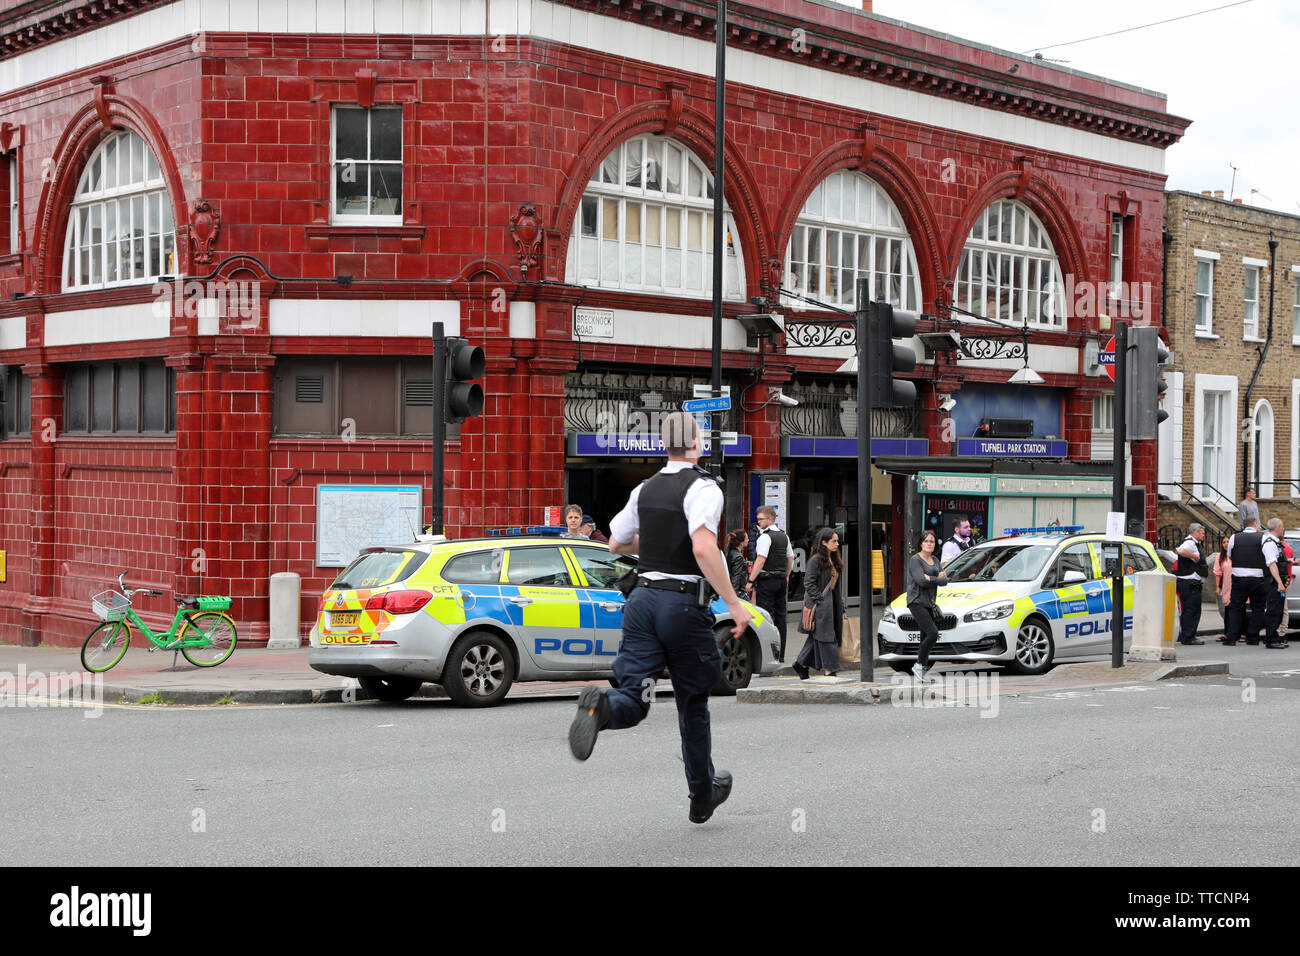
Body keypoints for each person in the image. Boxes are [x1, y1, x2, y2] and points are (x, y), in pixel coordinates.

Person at [567, 412, 751, 825]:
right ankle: (702, 793)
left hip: (641, 603)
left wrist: (656, 537)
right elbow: (703, 548)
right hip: (681, 607)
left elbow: (615, 543)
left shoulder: (645, 488)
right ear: (696, 443)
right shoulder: (703, 488)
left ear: (664, 445)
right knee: (692, 702)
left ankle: (603, 707)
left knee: (636, 696)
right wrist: (734, 604)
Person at [793, 528, 843, 679]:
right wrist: (820, 600)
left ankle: (801, 664)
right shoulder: (815, 560)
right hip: (821, 606)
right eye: (834, 541)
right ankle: (830, 670)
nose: (837, 544)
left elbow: (834, 585)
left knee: (817, 637)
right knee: (827, 636)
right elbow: (808, 583)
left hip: (832, 604)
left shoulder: (833, 559)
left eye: (837, 540)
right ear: (824, 542)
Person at [747, 505, 791, 662]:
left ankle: (768, 656)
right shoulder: (784, 536)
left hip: (767, 580)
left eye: (760, 519)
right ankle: (781, 655)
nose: (758, 522)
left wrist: (751, 580)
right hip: (780, 580)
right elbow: (790, 558)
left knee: (766, 618)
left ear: (770, 519)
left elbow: (760, 560)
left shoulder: (765, 537)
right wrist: (786, 575)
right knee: (781, 618)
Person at [1224, 516, 1276, 646]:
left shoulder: (1234, 538)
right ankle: (1253, 637)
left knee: (1235, 607)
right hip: (1257, 579)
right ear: (1255, 525)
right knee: (1257, 608)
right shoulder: (1262, 538)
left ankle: (1231, 638)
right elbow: (1268, 558)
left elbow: (1230, 555)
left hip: (1238, 578)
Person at [907, 529, 948, 683]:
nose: (929, 544)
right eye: (926, 541)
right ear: (921, 543)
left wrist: (932, 578)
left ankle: (921, 671)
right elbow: (920, 581)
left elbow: (945, 581)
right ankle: (919, 665)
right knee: (933, 633)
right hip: (916, 601)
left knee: (925, 636)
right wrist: (937, 577)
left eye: (932, 541)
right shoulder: (915, 560)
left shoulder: (936, 560)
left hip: (930, 602)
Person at [1173, 523, 1207, 645]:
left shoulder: (1193, 543)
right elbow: (1181, 551)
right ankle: (1188, 637)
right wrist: (1195, 557)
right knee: (1192, 610)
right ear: (1196, 532)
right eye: (1202, 533)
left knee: (1190, 610)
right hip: (1190, 584)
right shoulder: (1190, 542)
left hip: (1188, 583)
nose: (1203, 535)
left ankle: (1187, 635)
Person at [1262, 518, 1291, 649]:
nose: (1283, 529)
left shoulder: (1275, 543)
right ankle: (1271, 639)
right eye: (1282, 527)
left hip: (1278, 582)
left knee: (1278, 610)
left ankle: (1275, 637)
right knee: (1273, 611)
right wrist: (1279, 583)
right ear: (1277, 528)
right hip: (1273, 582)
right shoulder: (1269, 543)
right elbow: (1272, 564)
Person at [1210, 538, 1232, 641]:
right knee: (1226, 610)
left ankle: (1241, 632)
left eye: (1228, 542)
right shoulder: (1220, 556)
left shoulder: (1236, 554)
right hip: (1225, 586)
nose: (1226, 544)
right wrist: (1217, 587)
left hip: (1237, 587)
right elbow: (1217, 573)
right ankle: (1227, 633)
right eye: (1224, 542)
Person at [724, 530, 750, 596]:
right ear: (741, 542)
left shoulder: (731, 552)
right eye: (747, 538)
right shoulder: (738, 557)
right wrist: (734, 596)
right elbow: (736, 576)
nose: (748, 540)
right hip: (739, 592)